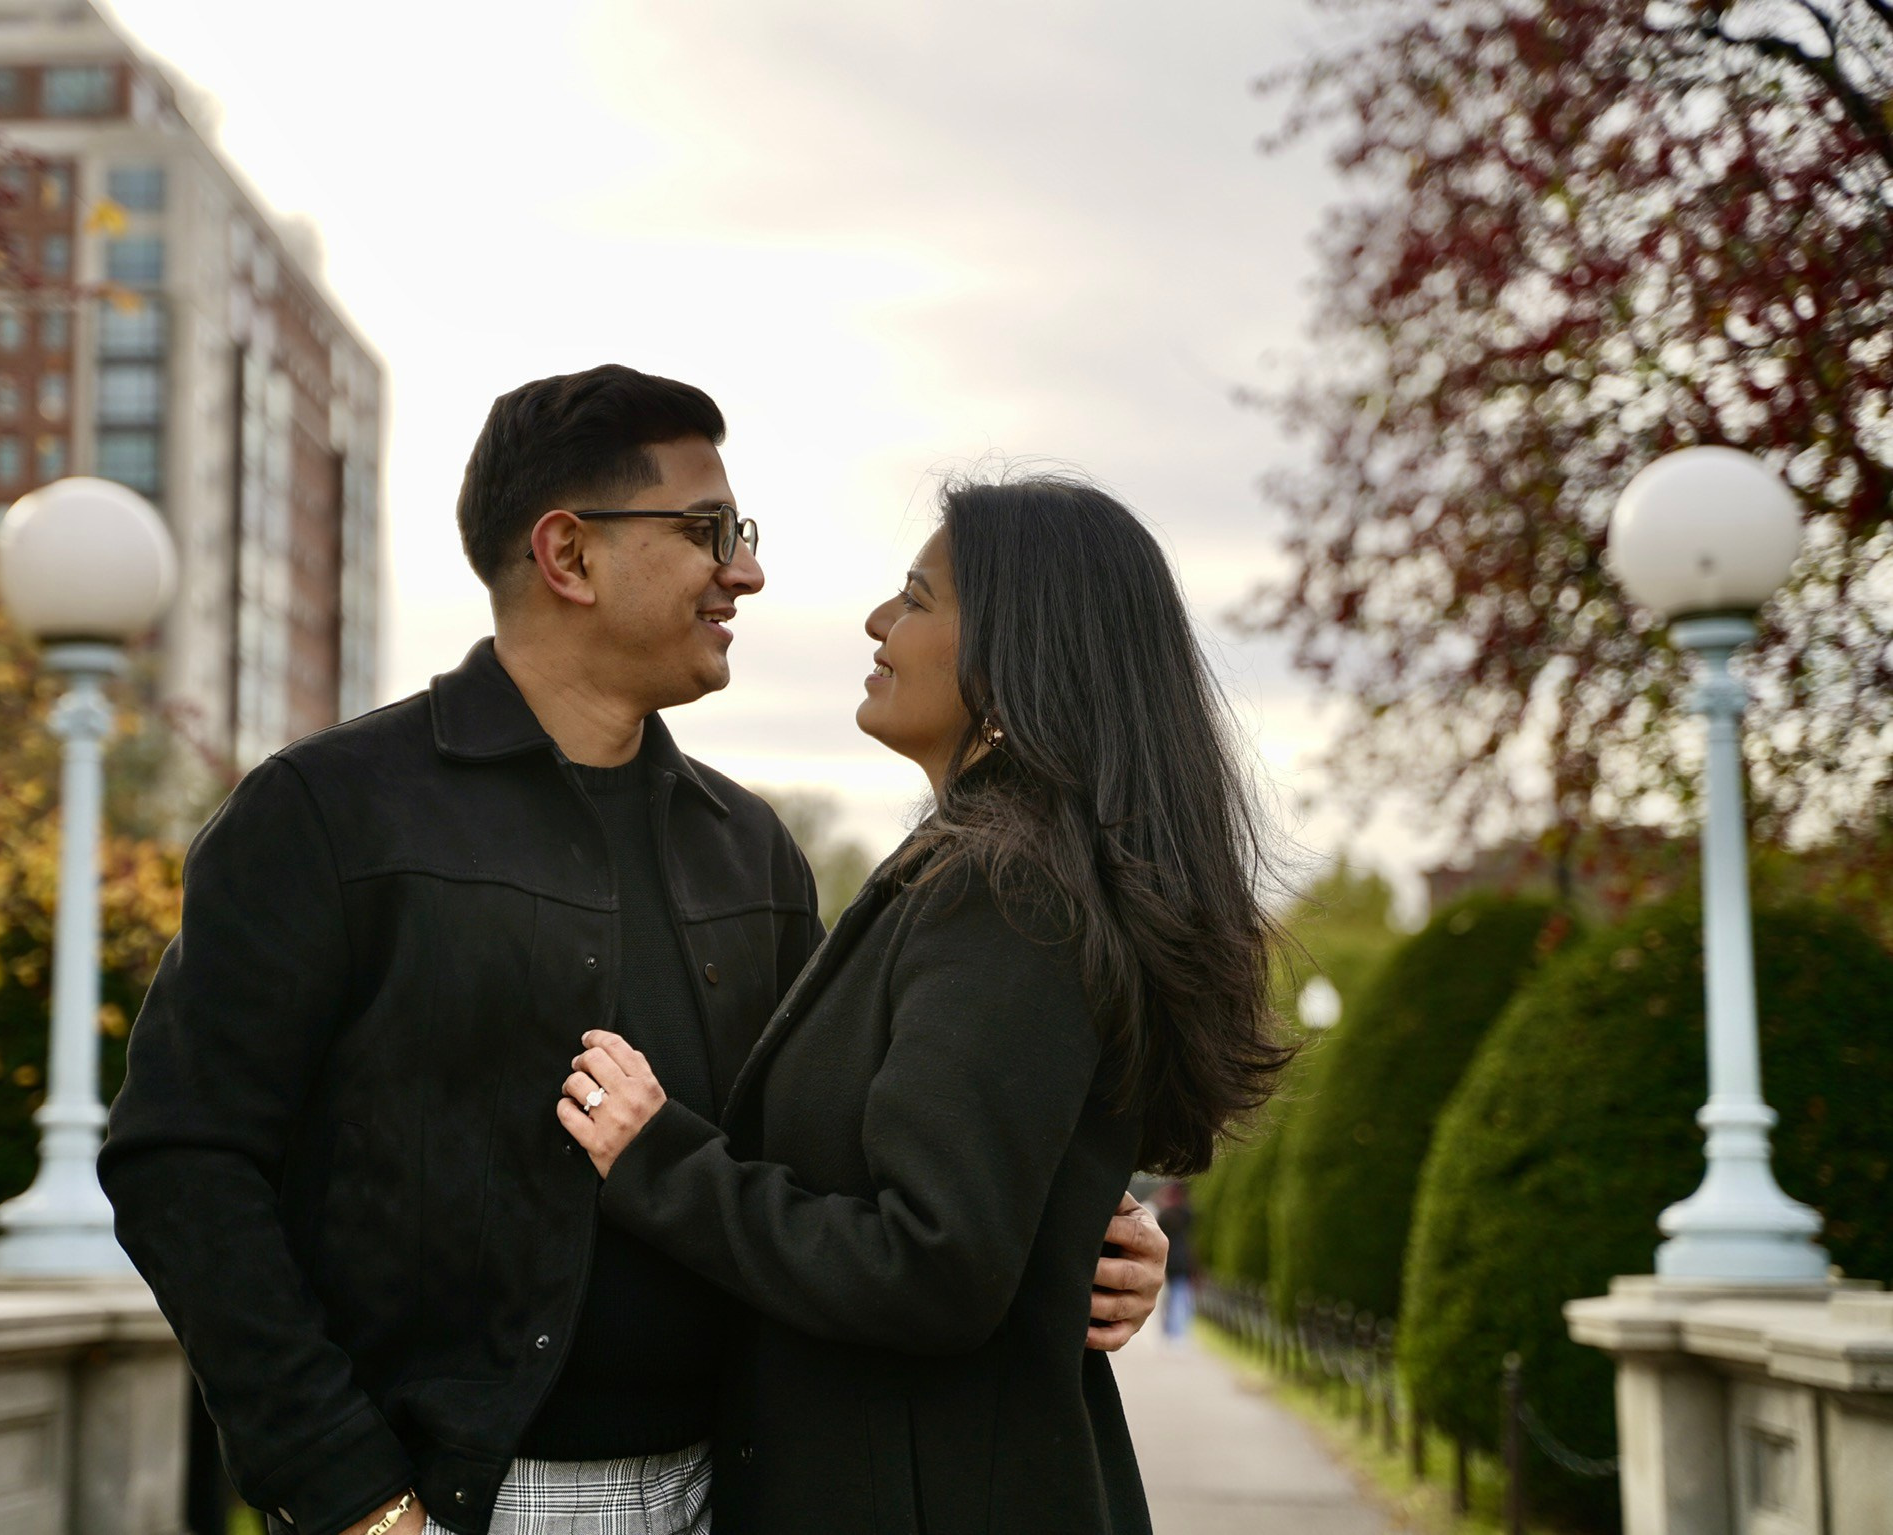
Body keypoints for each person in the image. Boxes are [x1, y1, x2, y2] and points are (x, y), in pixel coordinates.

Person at [99, 368, 1171, 1535]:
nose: (744, 571)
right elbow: (181, 1160)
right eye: (709, 529)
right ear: (569, 555)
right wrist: (354, 1497)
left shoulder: (752, 848)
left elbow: (868, 1145)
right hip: (451, 1505)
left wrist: (1080, 1221)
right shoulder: (326, 815)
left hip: (749, 1491)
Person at [562, 475, 1293, 1534]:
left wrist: (655, 1159)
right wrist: (1067, 1238)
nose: (878, 621)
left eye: (915, 597)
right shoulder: (983, 871)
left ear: (1014, 651)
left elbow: (931, 1266)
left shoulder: (1005, 894)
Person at [1155, 1182, 1198, 1345]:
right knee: (1178, 1295)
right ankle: (1176, 1332)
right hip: (1181, 1261)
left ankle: (1172, 1330)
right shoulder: (1186, 1214)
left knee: (1173, 1296)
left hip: (1170, 1261)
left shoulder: (1166, 1215)